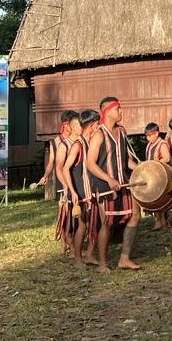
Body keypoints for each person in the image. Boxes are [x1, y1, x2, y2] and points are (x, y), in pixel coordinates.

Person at [86, 97, 142, 271]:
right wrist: (109, 179)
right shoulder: (99, 134)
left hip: (124, 183)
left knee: (135, 215)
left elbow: (126, 160)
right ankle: (102, 263)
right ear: (108, 111)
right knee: (107, 223)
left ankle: (124, 258)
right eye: (118, 109)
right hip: (105, 186)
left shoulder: (122, 132)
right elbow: (90, 163)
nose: (121, 111)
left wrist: (143, 168)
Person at [61, 109, 100, 267]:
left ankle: (89, 255)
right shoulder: (78, 145)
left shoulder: (91, 143)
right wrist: (72, 191)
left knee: (96, 224)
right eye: (97, 124)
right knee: (82, 225)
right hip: (80, 191)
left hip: (92, 190)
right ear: (91, 126)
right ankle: (78, 258)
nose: (98, 127)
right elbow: (65, 169)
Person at [53, 110, 80, 253]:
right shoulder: (63, 144)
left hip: (79, 186)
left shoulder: (80, 141)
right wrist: (66, 187)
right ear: (68, 125)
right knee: (68, 218)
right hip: (68, 187)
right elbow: (59, 168)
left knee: (78, 218)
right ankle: (68, 245)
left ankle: (74, 246)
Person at [144, 122, 172, 229]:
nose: (148, 138)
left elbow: (167, 158)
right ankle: (158, 221)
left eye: (150, 135)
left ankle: (164, 221)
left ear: (156, 133)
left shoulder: (162, 144)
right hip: (152, 176)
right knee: (153, 199)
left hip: (162, 176)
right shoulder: (149, 145)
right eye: (146, 136)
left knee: (161, 199)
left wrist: (157, 162)